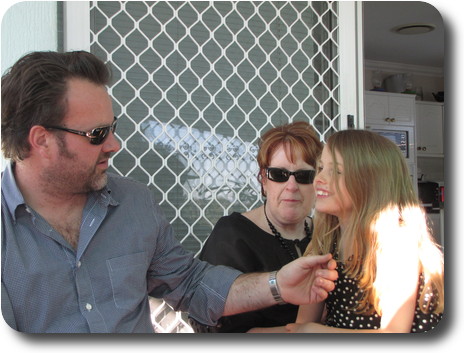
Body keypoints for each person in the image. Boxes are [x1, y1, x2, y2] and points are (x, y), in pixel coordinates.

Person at [0, 50, 338, 333]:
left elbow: (190, 284)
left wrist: (277, 285)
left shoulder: (133, 203)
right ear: (42, 140)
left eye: (112, 128)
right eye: (97, 134)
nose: (114, 145)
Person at [251, 129, 444, 333]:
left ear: (371, 182)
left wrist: (312, 331)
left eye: (336, 171)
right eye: (321, 168)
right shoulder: (326, 241)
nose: (319, 179)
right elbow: (301, 325)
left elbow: (394, 334)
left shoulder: (396, 244)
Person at [190, 121, 323, 332]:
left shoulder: (326, 234)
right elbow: (214, 325)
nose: (291, 186)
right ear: (263, 180)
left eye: (304, 176)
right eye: (279, 175)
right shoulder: (232, 236)